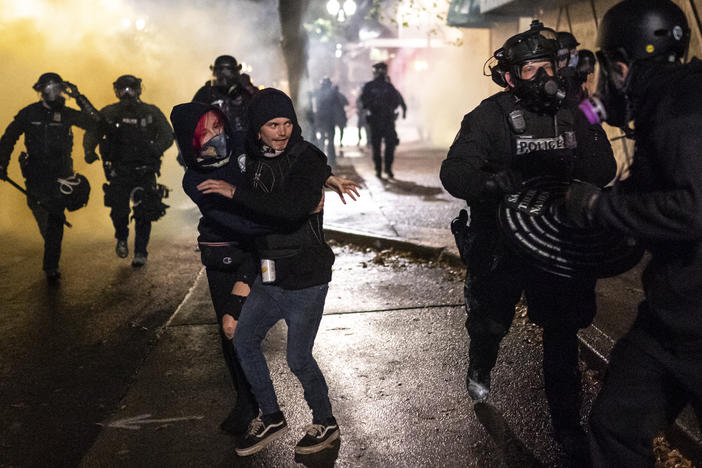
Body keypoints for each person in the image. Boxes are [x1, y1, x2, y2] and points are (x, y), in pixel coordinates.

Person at [440, 20, 616, 461]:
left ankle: (567, 427)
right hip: (502, 243)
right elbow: (453, 171)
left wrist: (583, 113)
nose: (541, 79)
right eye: (529, 70)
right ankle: (481, 361)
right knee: (491, 321)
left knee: (562, 335)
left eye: (547, 67)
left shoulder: (579, 108)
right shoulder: (487, 116)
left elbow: (605, 168)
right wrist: (489, 182)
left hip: (556, 243)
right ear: (509, 76)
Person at [564, 1, 701, 466]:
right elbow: (648, 189)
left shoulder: (683, 111)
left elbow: (694, 208)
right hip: (670, 320)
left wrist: (603, 206)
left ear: (620, 65)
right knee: (616, 424)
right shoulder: (667, 101)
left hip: (696, 322)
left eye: (604, 67)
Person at [172, 99, 359, 441]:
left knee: (297, 357)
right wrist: (297, 213)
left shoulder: (250, 142)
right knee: (236, 333)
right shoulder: (197, 179)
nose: (216, 135)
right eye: (205, 132)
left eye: (218, 126)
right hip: (240, 254)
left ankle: (324, 419)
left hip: (284, 262)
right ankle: (261, 410)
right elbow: (253, 221)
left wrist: (323, 179)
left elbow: (298, 162)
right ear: (189, 140)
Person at [0, 73, 100, 281]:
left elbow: (97, 124)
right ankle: (51, 250)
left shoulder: (67, 113)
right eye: (48, 88)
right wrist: (2, 163)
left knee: (54, 219)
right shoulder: (29, 114)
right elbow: (9, 138)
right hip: (35, 176)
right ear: (40, 90)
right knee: (42, 217)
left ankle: (51, 267)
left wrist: (79, 97)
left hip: (60, 176)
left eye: (57, 88)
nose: (53, 92)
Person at [84, 75, 174, 266]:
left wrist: (155, 149)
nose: (127, 94)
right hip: (119, 170)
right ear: (116, 91)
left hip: (145, 170)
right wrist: (89, 151)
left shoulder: (150, 112)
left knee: (145, 211)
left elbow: (167, 134)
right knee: (119, 211)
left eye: (131, 89)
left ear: (139, 90)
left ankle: (140, 251)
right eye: (122, 89)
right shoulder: (109, 113)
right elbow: (93, 131)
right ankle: (122, 238)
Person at [193, 55, 252, 156]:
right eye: (221, 73)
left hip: (244, 148)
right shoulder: (206, 93)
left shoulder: (246, 92)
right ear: (215, 73)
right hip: (214, 149)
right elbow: (192, 118)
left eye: (228, 73)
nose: (224, 79)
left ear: (236, 73)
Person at [360, 62, 406, 179]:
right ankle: (383, 169)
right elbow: (396, 102)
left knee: (383, 146)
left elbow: (364, 103)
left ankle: (383, 169)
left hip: (382, 120)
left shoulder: (375, 86)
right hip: (381, 120)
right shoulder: (386, 87)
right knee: (383, 146)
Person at [311, 77, 344, 167]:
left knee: (322, 140)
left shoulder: (318, 93)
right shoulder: (333, 93)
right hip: (330, 120)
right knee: (330, 141)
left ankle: (321, 160)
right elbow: (338, 107)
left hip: (321, 120)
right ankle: (331, 161)